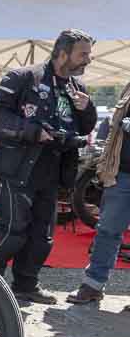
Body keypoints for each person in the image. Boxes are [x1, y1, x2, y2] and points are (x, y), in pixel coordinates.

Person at [0, 29, 97, 304]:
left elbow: (85, 127)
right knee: (13, 229)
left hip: (52, 172)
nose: (88, 60)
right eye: (84, 54)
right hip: (16, 168)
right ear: (63, 53)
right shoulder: (23, 77)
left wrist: (86, 109)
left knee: (42, 235)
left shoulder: (78, 89)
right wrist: (32, 132)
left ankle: (26, 285)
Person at [67, 82, 130, 306]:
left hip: (121, 174)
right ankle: (92, 286)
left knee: (108, 231)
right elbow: (115, 127)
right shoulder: (128, 89)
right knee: (107, 231)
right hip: (121, 173)